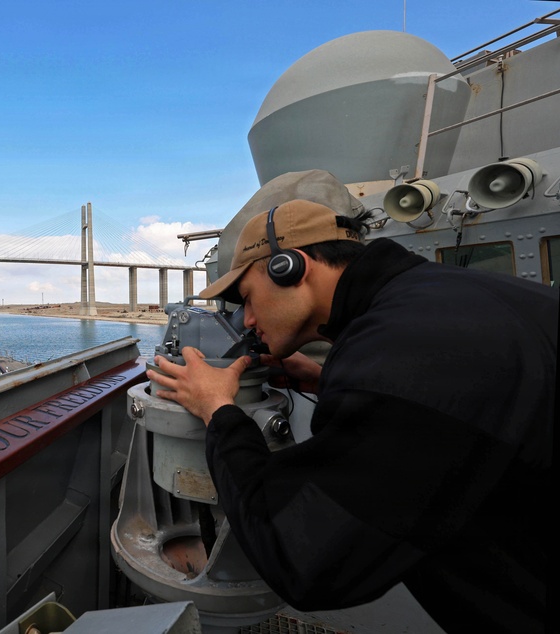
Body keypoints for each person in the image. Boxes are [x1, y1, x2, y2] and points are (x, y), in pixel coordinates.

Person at [148, 199, 555, 633]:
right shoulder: (438, 305)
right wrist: (330, 382)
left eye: (247, 298)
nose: (247, 321)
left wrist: (217, 409)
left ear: (289, 267)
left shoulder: (401, 351)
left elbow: (303, 561)